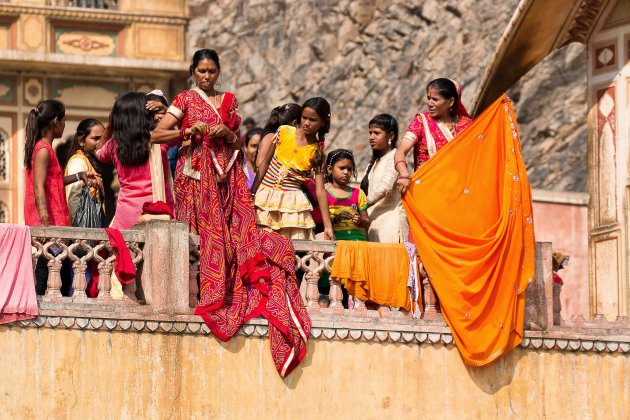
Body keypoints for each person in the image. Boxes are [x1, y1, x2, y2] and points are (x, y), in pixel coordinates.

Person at [151, 48, 241, 234]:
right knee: (193, 232)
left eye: (212, 71)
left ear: (219, 72)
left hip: (223, 177)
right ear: (193, 71)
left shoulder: (229, 100)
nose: (207, 76)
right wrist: (188, 131)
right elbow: (156, 135)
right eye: (202, 71)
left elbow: (238, 145)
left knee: (224, 231)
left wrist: (226, 133)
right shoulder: (184, 99)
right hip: (193, 175)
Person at [23, 99, 99, 295]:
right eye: (64, 120)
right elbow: (38, 187)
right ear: (55, 121)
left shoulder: (46, 149)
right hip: (48, 224)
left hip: (55, 223)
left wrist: (79, 176)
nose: (65, 125)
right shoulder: (42, 150)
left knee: (56, 276)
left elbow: (53, 182)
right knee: (47, 275)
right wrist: (45, 223)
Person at [253, 97, 334, 240]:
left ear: (322, 123)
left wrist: (328, 226)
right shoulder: (283, 131)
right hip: (264, 197)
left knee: (289, 250)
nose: (307, 123)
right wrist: (252, 193)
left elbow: (320, 190)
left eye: (313, 120)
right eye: (304, 118)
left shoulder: (317, 153)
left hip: (292, 207)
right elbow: (265, 163)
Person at [96, 92, 174, 230]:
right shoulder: (158, 140)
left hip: (126, 213)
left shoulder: (114, 144)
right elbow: (185, 133)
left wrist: (110, 124)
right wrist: (167, 111)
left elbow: (99, 152)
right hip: (157, 211)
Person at [395, 78, 473, 194]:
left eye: (435, 99)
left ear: (451, 102)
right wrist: (404, 174)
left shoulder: (466, 124)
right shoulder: (421, 121)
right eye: (428, 98)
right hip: (427, 189)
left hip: (458, 191)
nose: (429, 103)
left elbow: (477, 156)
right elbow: (400, 152)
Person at [359, 114, 408, 243]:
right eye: (370, 133)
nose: (371, 137)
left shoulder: (396, 157)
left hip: (391, 224)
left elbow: (384, 189)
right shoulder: (374, 162)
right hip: (373, 223)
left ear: (391, 136)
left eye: (376, 133)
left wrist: (360, 205)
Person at [250, 103, 302, 193]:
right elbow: (260, 164)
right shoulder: (271, 137)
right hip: (270, 190)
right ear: (295, 123)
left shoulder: (292, 140)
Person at [65, 118, 105, 226]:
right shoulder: (78, 161)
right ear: (81, 141)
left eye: (103, 138)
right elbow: (74, 199)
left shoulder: (89, 161)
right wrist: (79, 230)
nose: (100, 143)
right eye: (95, 138)